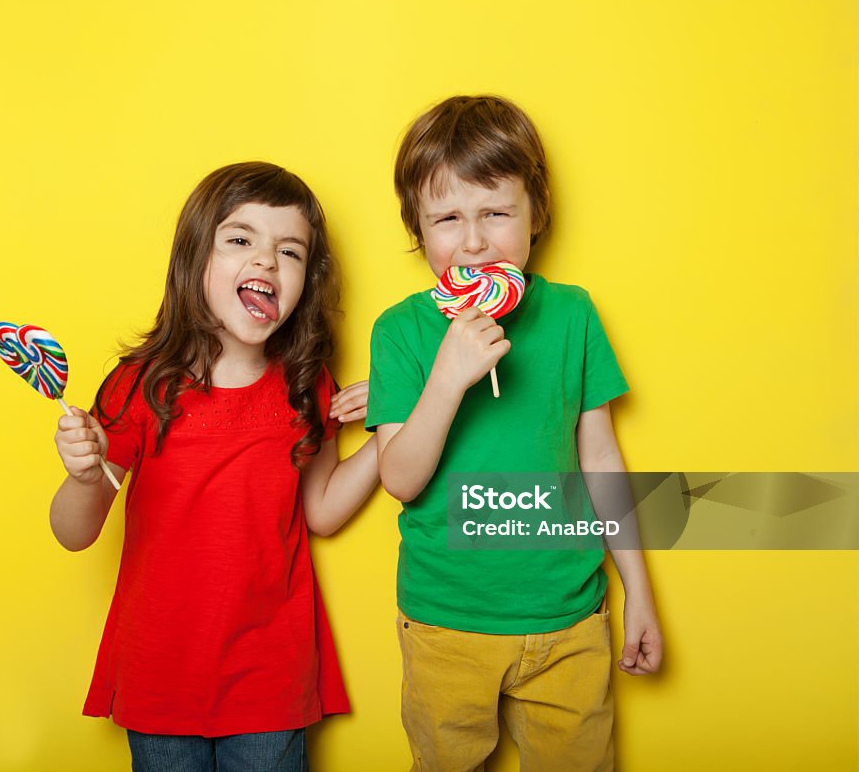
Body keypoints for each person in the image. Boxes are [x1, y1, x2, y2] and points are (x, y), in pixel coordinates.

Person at [366, 95, 663, 772]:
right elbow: (400, 477)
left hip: (569, 616)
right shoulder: (401, 331)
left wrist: (639, 591)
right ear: (418, 229)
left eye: (496, 213)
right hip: (446, 619)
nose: (473, 241)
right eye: (447, 219)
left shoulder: (573, 315)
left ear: (536, 213)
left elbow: (602, 459)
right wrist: (448, 377)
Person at [50, 161, 378, 772]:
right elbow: (76, 533)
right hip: (160, 673)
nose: (266, 261)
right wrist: (83, 476)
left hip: (271, 675)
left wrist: (391, 435)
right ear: (194, 257)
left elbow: (324, 512)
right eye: (240, 239)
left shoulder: (307, 385)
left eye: (290, 251)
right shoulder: (139, 385)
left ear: (308, 279)